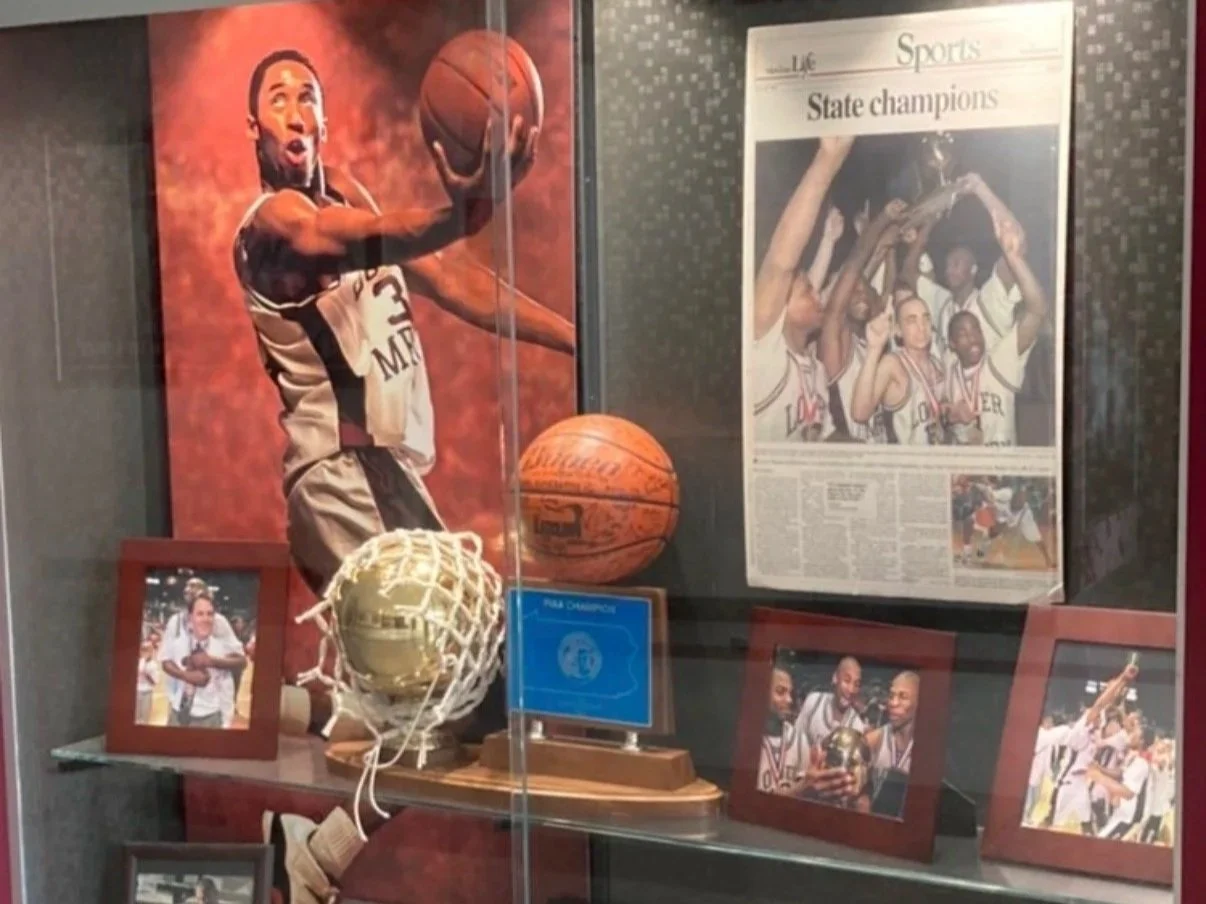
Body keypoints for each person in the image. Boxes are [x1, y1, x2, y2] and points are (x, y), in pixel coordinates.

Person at [234, 49, 575, 595]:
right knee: (439, 652)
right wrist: (461, 215)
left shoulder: (345, 192)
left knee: (453, 647)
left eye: (308, 98)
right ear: (255, 127)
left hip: (382, 469)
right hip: (337, 475)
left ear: (325, 122)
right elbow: (348, 236)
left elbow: (447, 277)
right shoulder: (272, 224)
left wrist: (577, 340)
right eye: (278, 100)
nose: (296, 113)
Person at [750, 136, 854, 442]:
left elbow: (826, 438)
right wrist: (828, 160)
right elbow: (781, 263)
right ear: (780, 311)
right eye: (807, 290)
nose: (817, 294)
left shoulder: (816, 371)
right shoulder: (765, 355)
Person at [944, 212, 1047, 446]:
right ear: (951, 343)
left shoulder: (999, 361)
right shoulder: (950, 371)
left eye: (976, 330)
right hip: (964, 471)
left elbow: (1037, 310)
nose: (973, 339)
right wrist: (950, 417)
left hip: (1000, 473)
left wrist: (1014, 257)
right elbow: (941, 409)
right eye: (963, 334)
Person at [907, 173, 1025, 354]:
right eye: (947, 265)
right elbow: (909, 276)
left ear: (973, 269)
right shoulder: (944, 303)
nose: (949, 270)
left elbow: (1016, 246)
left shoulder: (990, 300)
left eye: (956, 264)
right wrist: (926, 226)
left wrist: (979, 188)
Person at [818, 199, 906, 442]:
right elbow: (853, 266)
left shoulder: (869, 340)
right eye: (852, 291)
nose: (860, 295)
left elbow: (887, 292)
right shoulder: (837, 340)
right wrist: (882, 220)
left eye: (864, 291)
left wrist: (890, 247)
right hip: (848, 455)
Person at [1046, 660, 1139, 833]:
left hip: (1081, 784)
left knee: (1088, 828)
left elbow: (1113, 710)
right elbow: (1101, 704)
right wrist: (1122, 679)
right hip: (1067, 784)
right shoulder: (1086, 721)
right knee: (1052, 827)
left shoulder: (1101, 722)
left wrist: (1122, 687)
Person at [850, 292, 947, 445]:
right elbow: (859, 414)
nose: (921, 327)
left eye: (926, 318)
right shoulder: (894, 364)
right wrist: (874, 348)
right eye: (911, 321)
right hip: (906, 466)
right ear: (898, 330)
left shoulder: (937, 365)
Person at [158, 594, 247, 729]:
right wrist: (186, 676)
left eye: (209, 614)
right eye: (200, 614)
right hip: (177, 714)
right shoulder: (178, 643)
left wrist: (226, 722)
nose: (206, 619)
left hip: (210, 718)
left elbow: (236, 670)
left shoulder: (222, 649)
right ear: (190, 618)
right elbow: (165, 661)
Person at [863, 671, 919, 818]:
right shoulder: (873, 741)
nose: (893, 703)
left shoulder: (930, 751)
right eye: (891, 695)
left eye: (903, 697)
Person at [1093, 725, 1155, 841]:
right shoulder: (1134, 757)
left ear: (1141, 741)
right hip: (1122, 813)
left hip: (1129, 818)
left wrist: (1099, 777)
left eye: (1134, 735)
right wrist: (1099, 768)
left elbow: (1128, 793)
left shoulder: (1141, 764)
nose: (1130, 736)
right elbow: (1120, 773)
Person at [795, 656, 866, 751]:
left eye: (856, 684)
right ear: (835, 678)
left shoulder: (856, 726)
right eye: (847, 680)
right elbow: (795, 740)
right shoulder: (814, 702)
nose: (851, 689)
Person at [758, 666, 804, 795]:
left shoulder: (799, 739)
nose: (789, 699)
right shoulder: (747, 738)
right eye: (780, 691)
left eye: (790, 693)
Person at [1025, 713, 1070, 826]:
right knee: (1029, 797)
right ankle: (1025, 817)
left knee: (1035, 798)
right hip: (1031, 772)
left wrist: (1049, 774)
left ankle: (1028, 816)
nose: (1050, 724)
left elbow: (1048, 759)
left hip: (1039, 774)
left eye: (1052, 722)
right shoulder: (1040, 734)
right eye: (1048, 722)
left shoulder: (1050, 739)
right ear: (1043, 722)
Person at [135, 641, 160, 726]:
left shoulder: (154, 665)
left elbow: (155, 682)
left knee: (145, 718)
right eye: (143, 650)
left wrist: (146, 675)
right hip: (137, 691)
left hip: (147, 693)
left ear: (151, 652)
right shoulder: (139, 662)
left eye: (147, 650)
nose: (144, 652)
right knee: (136, 717)